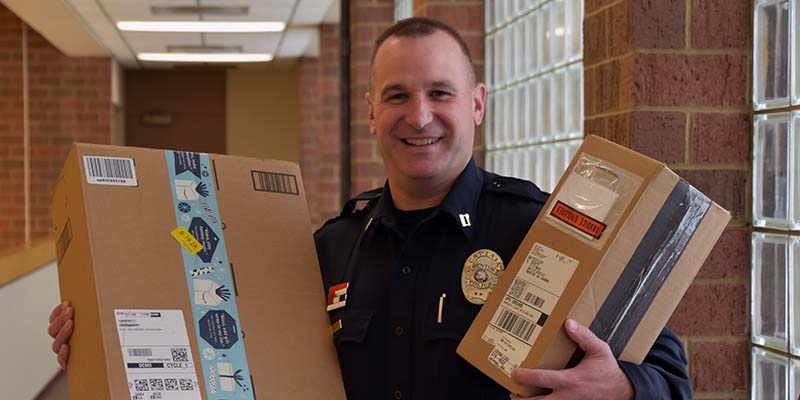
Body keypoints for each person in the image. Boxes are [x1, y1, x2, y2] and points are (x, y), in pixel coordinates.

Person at [49, 17, 692, 400]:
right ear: (370, 112)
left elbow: (668, 369)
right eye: (396, 96)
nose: (418, 116)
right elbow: (232, 343)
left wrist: (625, 387)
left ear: (477, 104)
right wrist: (109, 325)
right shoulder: (329, 249)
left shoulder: (540, 230)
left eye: (440, 92)